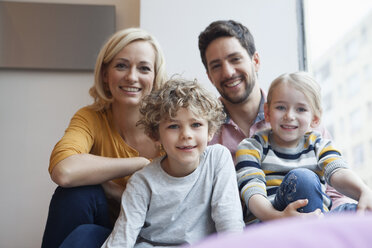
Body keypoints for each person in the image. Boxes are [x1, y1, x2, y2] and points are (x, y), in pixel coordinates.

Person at [197, 19, 351, 210]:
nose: (228, 72)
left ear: (255, 61)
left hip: (317, 225)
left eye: (235, 59)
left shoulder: (303, 120)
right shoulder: (202, 134)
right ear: (209, 76)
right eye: (216, 66)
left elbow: (336, 194)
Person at [41, 27, 168, 248]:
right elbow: (63, 170)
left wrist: (111, 188)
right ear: (105, 74)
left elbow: (173, 207)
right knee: (77, 195)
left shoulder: (172, 126)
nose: (132, 76)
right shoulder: (91, 118)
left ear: (155, 78)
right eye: (121, 65)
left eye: (144, 68)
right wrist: (139, 164)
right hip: (106, 229)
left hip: (155, 234)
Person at [101, 78, 244, 247]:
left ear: (210, 131)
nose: (186, 135)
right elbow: (122, 238)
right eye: (174, 126)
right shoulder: (142, 182)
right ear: (156, 135)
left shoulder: (218, 158)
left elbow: (230, 223)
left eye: (196, 124)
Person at [235, 72, 372, 223]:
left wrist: (363, 191)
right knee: (303, 178)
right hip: (270, 221)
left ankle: (317, 234)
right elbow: (252, 191)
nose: (289, 116)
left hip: (318, 220)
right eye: (281, 107)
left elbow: (337, 170)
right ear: (267, 112)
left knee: (361, 211)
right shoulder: (251, 146)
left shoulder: (319, 143)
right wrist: (279, 217)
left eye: (300, 109)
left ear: (315, 118)